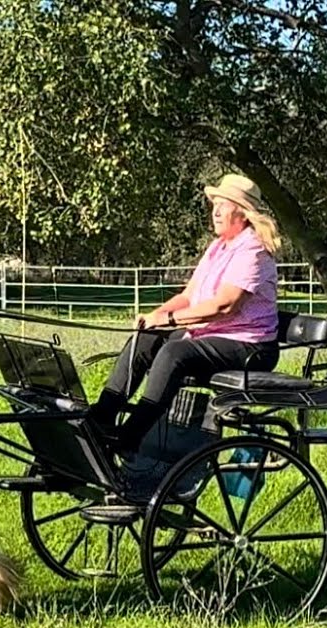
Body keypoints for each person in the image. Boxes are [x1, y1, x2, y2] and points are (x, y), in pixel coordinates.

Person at [88, 173, 283, 458]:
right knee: (147, 338)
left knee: (175, 353)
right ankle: (100, 418)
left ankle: (129, 438)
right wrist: (155, 316)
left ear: (242, 212)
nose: (215, 211)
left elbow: (224, 306)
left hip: (250, 347)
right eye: (214, 204)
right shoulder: (218, 247)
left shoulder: (252, 250)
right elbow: (189, 296)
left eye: (223, 204)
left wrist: (168, 320)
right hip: (214, 335)